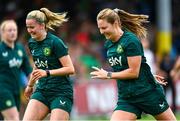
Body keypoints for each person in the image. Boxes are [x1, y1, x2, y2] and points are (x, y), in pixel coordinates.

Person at [90, 8, 176, 121]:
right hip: (127, 98)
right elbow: (125, 68)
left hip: (147, 93)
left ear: (115, 23)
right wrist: (148, 75)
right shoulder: (109, 45)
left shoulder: (131, 41)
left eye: (104, 27)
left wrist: (108, 75)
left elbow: (133, 72)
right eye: (99, 28)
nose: (101, 32)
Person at [23, 7, 75, 121]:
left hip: (61, 92)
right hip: (42, 91)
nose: (29, 30)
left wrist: (46, 73)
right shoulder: (32, 43)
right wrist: (30, 85)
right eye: (27, 27)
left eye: (32, 27)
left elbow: (70, 69)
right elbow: (37, 65)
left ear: (42, 25)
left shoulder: (55, 42)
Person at [0, 19, 32, 121]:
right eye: (9, 30)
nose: (13, 32)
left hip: (16, 90)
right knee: (13, 118)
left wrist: (33, 85)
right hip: (3, 89)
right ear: (2, 32)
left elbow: (28, 70)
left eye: (14, 30)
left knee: (9, 118)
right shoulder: (0, 50)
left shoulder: (20, 49)